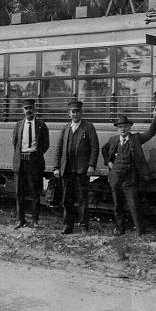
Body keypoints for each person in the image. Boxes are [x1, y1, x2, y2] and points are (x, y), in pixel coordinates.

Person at [101, 109, 156, 236]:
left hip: (129, 178)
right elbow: (104, 151)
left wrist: (154, 118)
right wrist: (109, 163)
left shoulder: (136, 138)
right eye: (120, 127)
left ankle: (139, 231)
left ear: (129, 127)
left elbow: (151, 132)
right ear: (118, 129)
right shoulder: (113, 140)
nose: (123, 129)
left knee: (133, 204)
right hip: (115, 177)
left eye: (125, 126)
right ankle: (120, 229)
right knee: (117, 205)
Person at [53, 100, 99, 234]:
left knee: (82, 199)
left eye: (77, 111)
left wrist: (91, 165)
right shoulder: (65, 128)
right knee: (66, 199)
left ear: (81, 113)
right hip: (67, 170)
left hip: (82, 170)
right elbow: (59, 149)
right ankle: (68, 225)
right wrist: (56, 167)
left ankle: (84, 226)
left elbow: (94, 148)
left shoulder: (88, 127)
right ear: (69, 114)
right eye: (73, 112)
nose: (75, 114)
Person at [11, 98, 49, 229]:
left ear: (35, 109)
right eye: (26, 109)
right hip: (21, 162)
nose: (29, 111)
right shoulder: (19, 125)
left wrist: (35, 155)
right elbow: (15, 143)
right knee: (19, 193)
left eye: (31, 108)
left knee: (34, 193)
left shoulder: (41, 125)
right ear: (23, 110)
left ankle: (35, 219)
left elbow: (45, 144)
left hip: (34, 162)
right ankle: (20, 220)